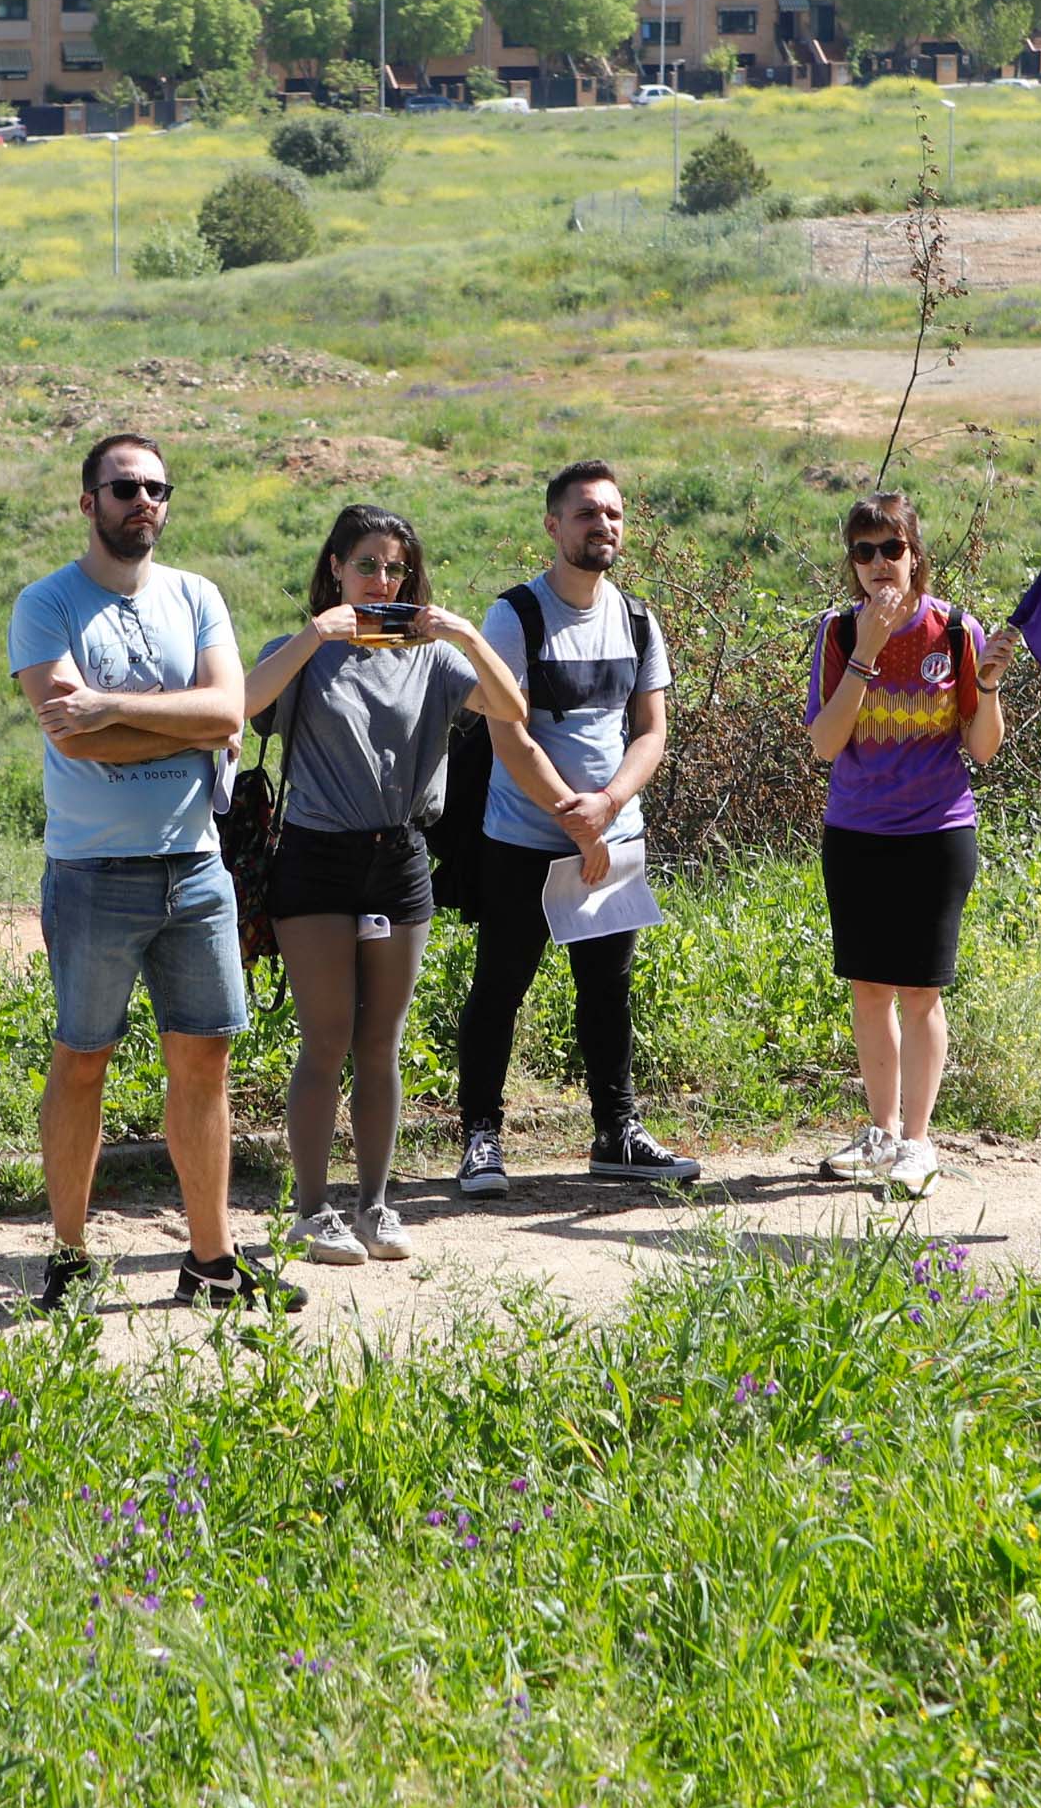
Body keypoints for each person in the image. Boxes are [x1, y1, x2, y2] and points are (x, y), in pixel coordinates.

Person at [8, 432, 297, 1316]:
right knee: (82, 1058)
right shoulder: (45, 604)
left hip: (196, 867)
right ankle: (68, 1256)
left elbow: (229, 710)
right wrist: (185, 723)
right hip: (94, 871)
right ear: (86, 499)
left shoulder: (197, 594)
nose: (143, 500)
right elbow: (70, 731)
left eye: (157, 487)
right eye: (124, 486)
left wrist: (115, 708)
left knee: (203, 1060)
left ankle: (210, 1260)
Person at [241, 504, 528, 1265]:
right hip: (316, 857)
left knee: (381, 1043)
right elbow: (240, 709)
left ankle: (373, 1204)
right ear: (334, 566)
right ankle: (310, 1210)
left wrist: (465, 634)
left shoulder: (431, 658)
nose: (381, 579)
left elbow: (511, 707)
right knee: (326, 1039)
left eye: (395, 567)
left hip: (398, 857)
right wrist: (313, 635)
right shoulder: (303, 649)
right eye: (365, 564)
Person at [452, 459, 702, 1197]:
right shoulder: (515, 615)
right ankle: (480, 1138)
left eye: (613, 514)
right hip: (523, 841)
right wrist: (577, 813)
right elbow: (510, 736)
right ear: (552, 525)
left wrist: (608, 810)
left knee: (607, 989)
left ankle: (615, 1132)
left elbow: (651, 731)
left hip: (612, 840)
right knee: (500, 985)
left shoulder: (636, 618)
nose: (603, 526)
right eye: (587, 513)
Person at [801, 491, 1021, 1200]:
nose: (876, 564)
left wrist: (985, 684)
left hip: (936, 831)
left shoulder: (955, 630)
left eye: (889, 548)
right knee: (869, 989)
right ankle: (881, 1131)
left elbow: (982, 750)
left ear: (914, 554)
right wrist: (865, 653)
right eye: (861, 551)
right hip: (856, 830)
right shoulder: (837, 634)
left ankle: (918, 1142)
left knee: (921, 993)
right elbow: (825, 744)